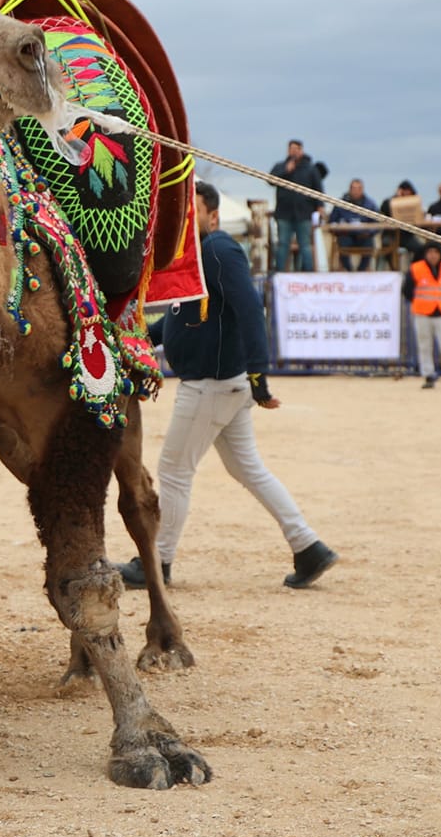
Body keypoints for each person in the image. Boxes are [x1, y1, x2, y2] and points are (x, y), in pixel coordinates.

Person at [123, 182, 337, 590]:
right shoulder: (195, 257)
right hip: (221, 386)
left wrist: (259, 374)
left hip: (211, 385)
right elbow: (178, 319)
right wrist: (139, 340)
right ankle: (308, 547)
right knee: (248, 469)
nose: (186, 217)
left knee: (173, 471)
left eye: (194, 210)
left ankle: (157, 562)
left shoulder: (219, 250)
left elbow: (251, 309)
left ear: (213, 216)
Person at [404, 240, 441, 390]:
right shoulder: (416, 268)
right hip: (422, 313)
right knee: (424, 345)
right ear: (425, 254)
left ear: (440, 254)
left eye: (435, 252)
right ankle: (428, 375)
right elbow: (407, 290)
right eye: (429, 252)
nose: (432, 255)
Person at [267, 139, 326, 272]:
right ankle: (280, 272)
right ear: (288, 150)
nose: (294, 151)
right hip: (284, 213)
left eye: (297, 149)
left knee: (305, 244)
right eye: (291, 149)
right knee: (283, 244)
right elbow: (270, 180)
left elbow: (318, 189)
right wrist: (285, 171)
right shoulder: (280, 166)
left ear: (301, 150)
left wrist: (320, 206)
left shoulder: (310, 169)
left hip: (304, 213)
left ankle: (308, 273)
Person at [325, 178, 379, 270]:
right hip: (346, 235)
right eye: (354, 188)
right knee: (342, 243)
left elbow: (377, 225)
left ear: (362, 189)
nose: (356, 191)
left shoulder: (370, 204)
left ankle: (360, 271)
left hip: (363, 236)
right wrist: (339, 230)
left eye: (359, 188)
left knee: (369, 245)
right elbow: (332, 222)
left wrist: (369, 232)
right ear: (350, 189)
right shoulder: (341, 203)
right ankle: (349, 271)